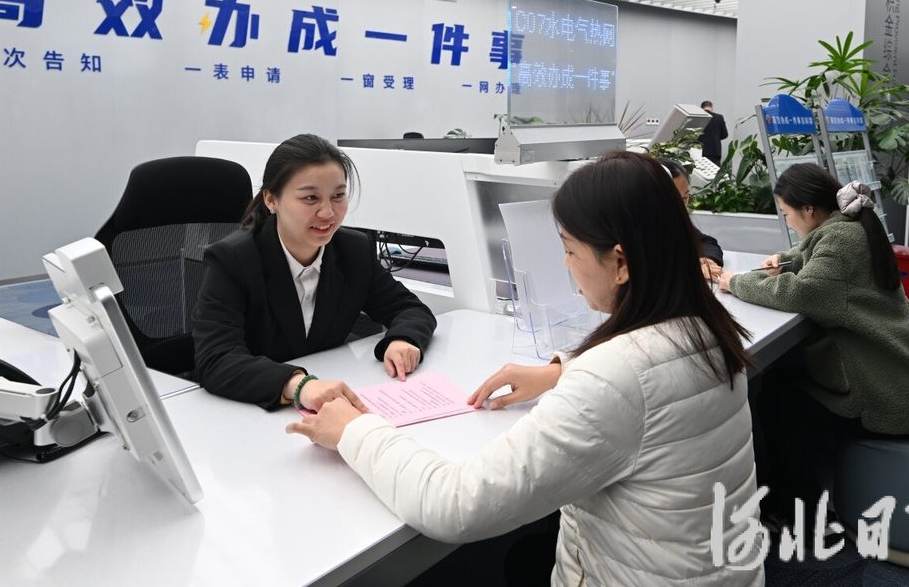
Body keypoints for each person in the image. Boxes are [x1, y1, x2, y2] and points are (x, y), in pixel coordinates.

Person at [289, 152, 764, 586]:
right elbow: (650, 382)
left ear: (620, 263)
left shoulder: (616, 378)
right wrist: (563, 370)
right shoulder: (705, 327)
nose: (566, 265)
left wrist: (355, 430)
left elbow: (455, 505)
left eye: (571, 250)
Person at [717, 163, 909, 526]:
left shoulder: (840, 242)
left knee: (779, 402)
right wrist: (786, 260)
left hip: (890, 400)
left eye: (787, 213)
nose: (787, 221)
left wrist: (735, 282)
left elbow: (802, 293)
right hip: (906, 379)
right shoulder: (851, 228)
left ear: (808, 209)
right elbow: (818, 263)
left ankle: (801, 517)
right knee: (780, 384)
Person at [192, 134, 437, 410]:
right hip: (250, 411)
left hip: (329, 402)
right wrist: (299, 385)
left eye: (338, 196)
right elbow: (216, 358)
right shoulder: (233, 260)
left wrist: (402, 339)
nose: (328, 212)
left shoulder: (353, 251)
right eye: (310, 198)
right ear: (271, 199)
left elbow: (409, 309)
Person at [659, 157, 724, 280]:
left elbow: (706, 242)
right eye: (674, 199)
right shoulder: (634, 227)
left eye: (685, 197)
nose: (682, 206)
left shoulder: (677, 221)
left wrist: (708, 259)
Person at [697, 100, 728, 165]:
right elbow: (725, 134)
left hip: (700, 151)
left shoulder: (697, 117)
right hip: (715, 150)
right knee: (714, 169)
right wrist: (716, 137)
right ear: (712, 108)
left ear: (701, 108)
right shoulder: (719, 117)